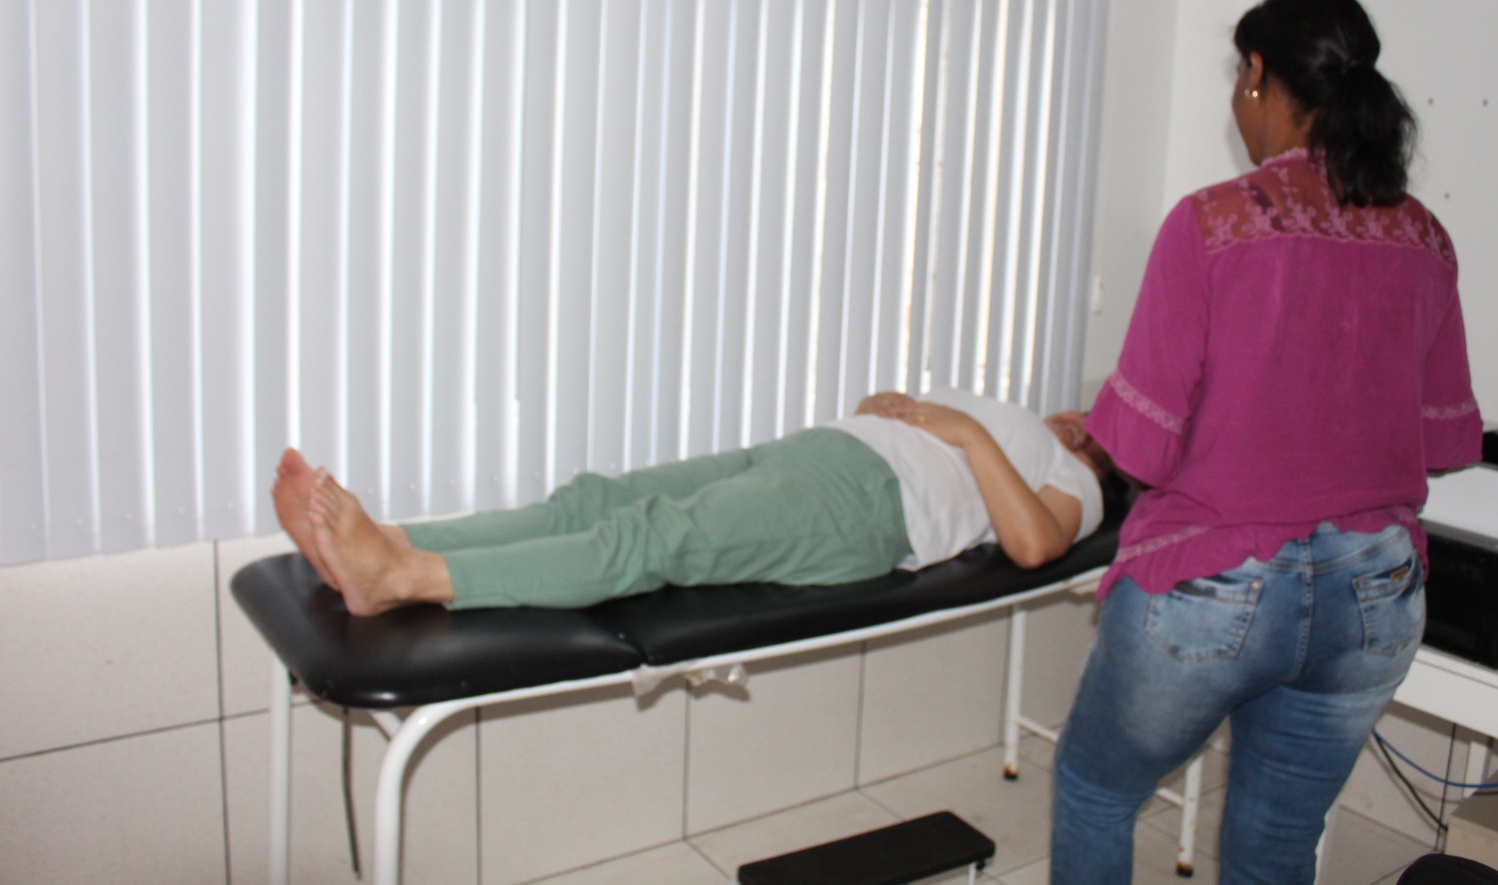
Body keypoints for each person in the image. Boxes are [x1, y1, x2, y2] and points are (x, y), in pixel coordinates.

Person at [1050, 0, 1481, 885]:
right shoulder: (1427, 238)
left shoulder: (1213, 223)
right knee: (1279, 838)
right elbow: (1442, 442)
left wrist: (1099, 427)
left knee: (1096, 789)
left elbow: (1144, 450)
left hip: (1215, 586)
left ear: (1257, 74)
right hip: (1373, 596)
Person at [272, 386, 1112, 616]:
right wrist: (887, 406)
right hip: (821, 455)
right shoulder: (1018, 415)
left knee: (653, 539)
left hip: (865, 509)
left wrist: (967, 433)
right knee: (594, 501)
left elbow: (1035, 546)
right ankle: (389, 540)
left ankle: (405, 578)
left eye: (1096, 426)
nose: (1081, 415)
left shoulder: (1078, 481)